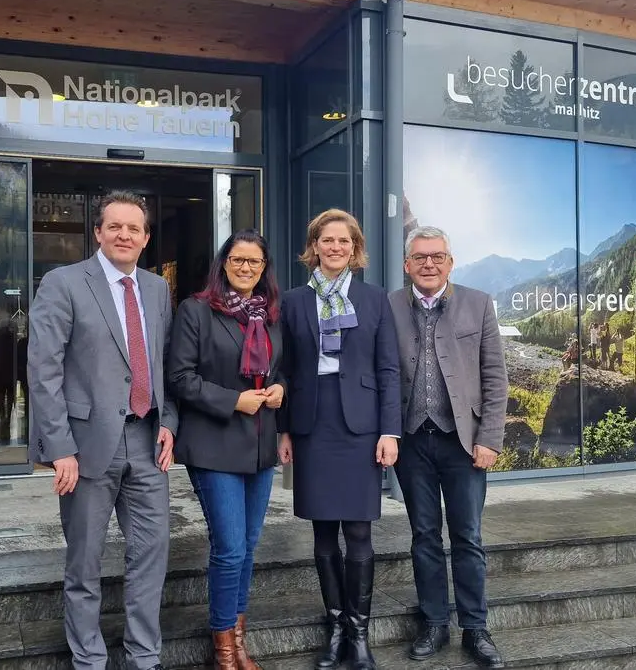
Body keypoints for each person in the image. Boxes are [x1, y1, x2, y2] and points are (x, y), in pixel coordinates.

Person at [27, 190, 179, 670]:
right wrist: (60, 449)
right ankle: (89, 659)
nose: (124, 235)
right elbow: (43, 370)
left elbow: (165, 363)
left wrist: (169, 422)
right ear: (97, 232)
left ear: (146, 237)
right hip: (86, 447)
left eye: (134, 228)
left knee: (151, 557)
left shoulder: (156, 289)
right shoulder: (63, 282)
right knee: (85, 562)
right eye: (114, 226)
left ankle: (143, 656)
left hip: (148, 442)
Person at [277, 209, 401, 670]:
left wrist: (390, 431)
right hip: (313, 422)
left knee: (360, 531)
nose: (335, 248)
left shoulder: (374, 299)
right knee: (323, 532)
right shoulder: (291, 301)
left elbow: (389, 369)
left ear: (355, 248)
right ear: (314, 246)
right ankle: (335, 629)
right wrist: (284, 429)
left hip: (362, 424)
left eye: (344, 241)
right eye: (327, 240)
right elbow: (283, 370)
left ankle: (359, 633)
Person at [389, 226, 508, 668]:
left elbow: (495, 377)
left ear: (450, 262)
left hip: (464, 444)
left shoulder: (478, 304)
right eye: (420, 257)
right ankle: (434, 623)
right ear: (407, 265)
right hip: (413, 442)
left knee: (468, 536)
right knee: (423, 536)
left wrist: (489, 439)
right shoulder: (389, 307)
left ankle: (476, 629)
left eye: (437, 256)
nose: (429, 264)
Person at [168, 229, 285, 670]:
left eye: (255, 262)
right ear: (224, 263)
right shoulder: (196, 311)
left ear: (264, 268)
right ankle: (223, 650)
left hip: (259, 446)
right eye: (238, 260)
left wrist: (279, 389)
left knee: (249, 546)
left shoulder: (271, 314)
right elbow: (179, 377)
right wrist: (232, 399)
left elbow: (283, 369)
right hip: (214, 444)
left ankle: (237, 638)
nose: (246, 268)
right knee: (231, 547)